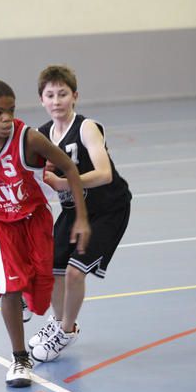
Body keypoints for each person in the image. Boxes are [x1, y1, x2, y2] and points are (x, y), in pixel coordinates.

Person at [0, 78, 90, 388]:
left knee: (41, 297)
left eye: (11, 111)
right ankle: (20, 358)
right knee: (10, 287)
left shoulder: (29, 139)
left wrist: (81, 218)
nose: (7, 118)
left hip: (34, 220)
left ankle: (22, 298)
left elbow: (70, 169)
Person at [29, 65, 132, 362]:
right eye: (50, 95)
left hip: (108, 208)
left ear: (75, 96)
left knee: (75, 273)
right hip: (74, 210)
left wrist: (65, 182)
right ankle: (58, 324)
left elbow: (104, 173)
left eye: (63, 94)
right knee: (52, 269)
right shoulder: (41, 135)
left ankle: (67, 329)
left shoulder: (86, 127)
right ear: (41, 100)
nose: (57, 100)